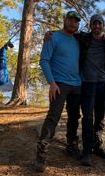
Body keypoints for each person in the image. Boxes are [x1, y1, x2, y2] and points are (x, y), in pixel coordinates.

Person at [44, 14, 105, 167]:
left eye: (99, 24)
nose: (96, 26)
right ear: (90, 26)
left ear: (103, 26)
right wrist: (50, 33)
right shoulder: (83, 38)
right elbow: (66, 31)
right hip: (87, 83)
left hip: (102, 84)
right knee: (87, 117)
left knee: (100, 117)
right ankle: (87, 152)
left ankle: (97, 146)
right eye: (94, 24)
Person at [34, 11, 82, 172]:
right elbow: (44, 60)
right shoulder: (53, 37)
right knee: (53, 116)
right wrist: (52, 83)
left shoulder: (78, 39)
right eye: (70, 20)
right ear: (64, 20)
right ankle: (41, 153)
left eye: (76, 22)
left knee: (75, 116)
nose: (73, 24)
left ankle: (71, 145)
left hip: (77, 84)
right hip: (59, 84)